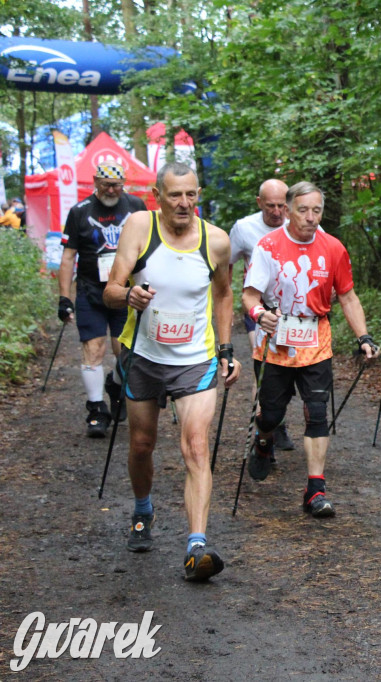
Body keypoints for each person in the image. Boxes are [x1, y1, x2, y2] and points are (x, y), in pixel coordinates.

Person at [102, 161, 241, 582]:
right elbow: (109, 291)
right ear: (158, 197)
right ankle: (143, 509)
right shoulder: (140, 228)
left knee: (196, 446)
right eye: (175, 195)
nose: (184, 203)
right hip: (143, 353)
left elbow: (223, 295)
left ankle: (197, 544)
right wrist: (130, 295)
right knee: (142, 443)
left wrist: (225, 349)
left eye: (191, 195)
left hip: (193, 360)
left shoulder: (215, 241)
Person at [241, 181, 380, 518]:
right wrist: (260, 315)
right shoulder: (268, 246)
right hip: (276, 343)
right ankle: (263, 442)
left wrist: (364, 337)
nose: (310, 217)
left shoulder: (333, 248)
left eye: (316, 210)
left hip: (316, 340)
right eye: (302, 210)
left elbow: (347, 296)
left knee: (317, 412)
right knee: (271, 415)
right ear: (288, 210)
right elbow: (249, 294)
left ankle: (315, 489)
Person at [58, 162, 147, 437]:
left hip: (124, 291)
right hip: (90, 291)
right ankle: (97, 410)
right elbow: (68, 257)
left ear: (124, 185)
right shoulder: (79, 212)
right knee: (94, 349)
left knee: (124, 351)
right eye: (106, 185)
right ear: (95, 182)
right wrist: (64, 298)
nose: (112, 190)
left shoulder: (136, 205)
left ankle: (115, 384)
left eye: (117, 185)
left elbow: (150, 243)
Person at [229, 178, 296, 452]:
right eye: (271, 206)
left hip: (293, 313)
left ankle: (275, 419)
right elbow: (226, 265)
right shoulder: (244, 228)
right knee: (265, 371)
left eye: (282, 205)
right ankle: (267, 429)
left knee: (290, 372)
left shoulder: (300, 224)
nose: (278, 212)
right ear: (259, 203)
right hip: (258, 308)